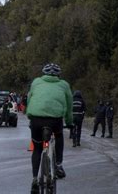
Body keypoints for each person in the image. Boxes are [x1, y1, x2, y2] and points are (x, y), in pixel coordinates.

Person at [26, 63, 73, 194]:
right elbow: (69, 106)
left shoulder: (36, 82)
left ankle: (35, 179)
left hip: (36, 118)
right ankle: (58, 165)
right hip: (54, 120)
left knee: (37, 148)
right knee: (59, 136)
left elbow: (30, 99)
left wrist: (29, 115)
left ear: (44, 73)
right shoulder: (64, 84)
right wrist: (69, 122)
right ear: (59, 75)